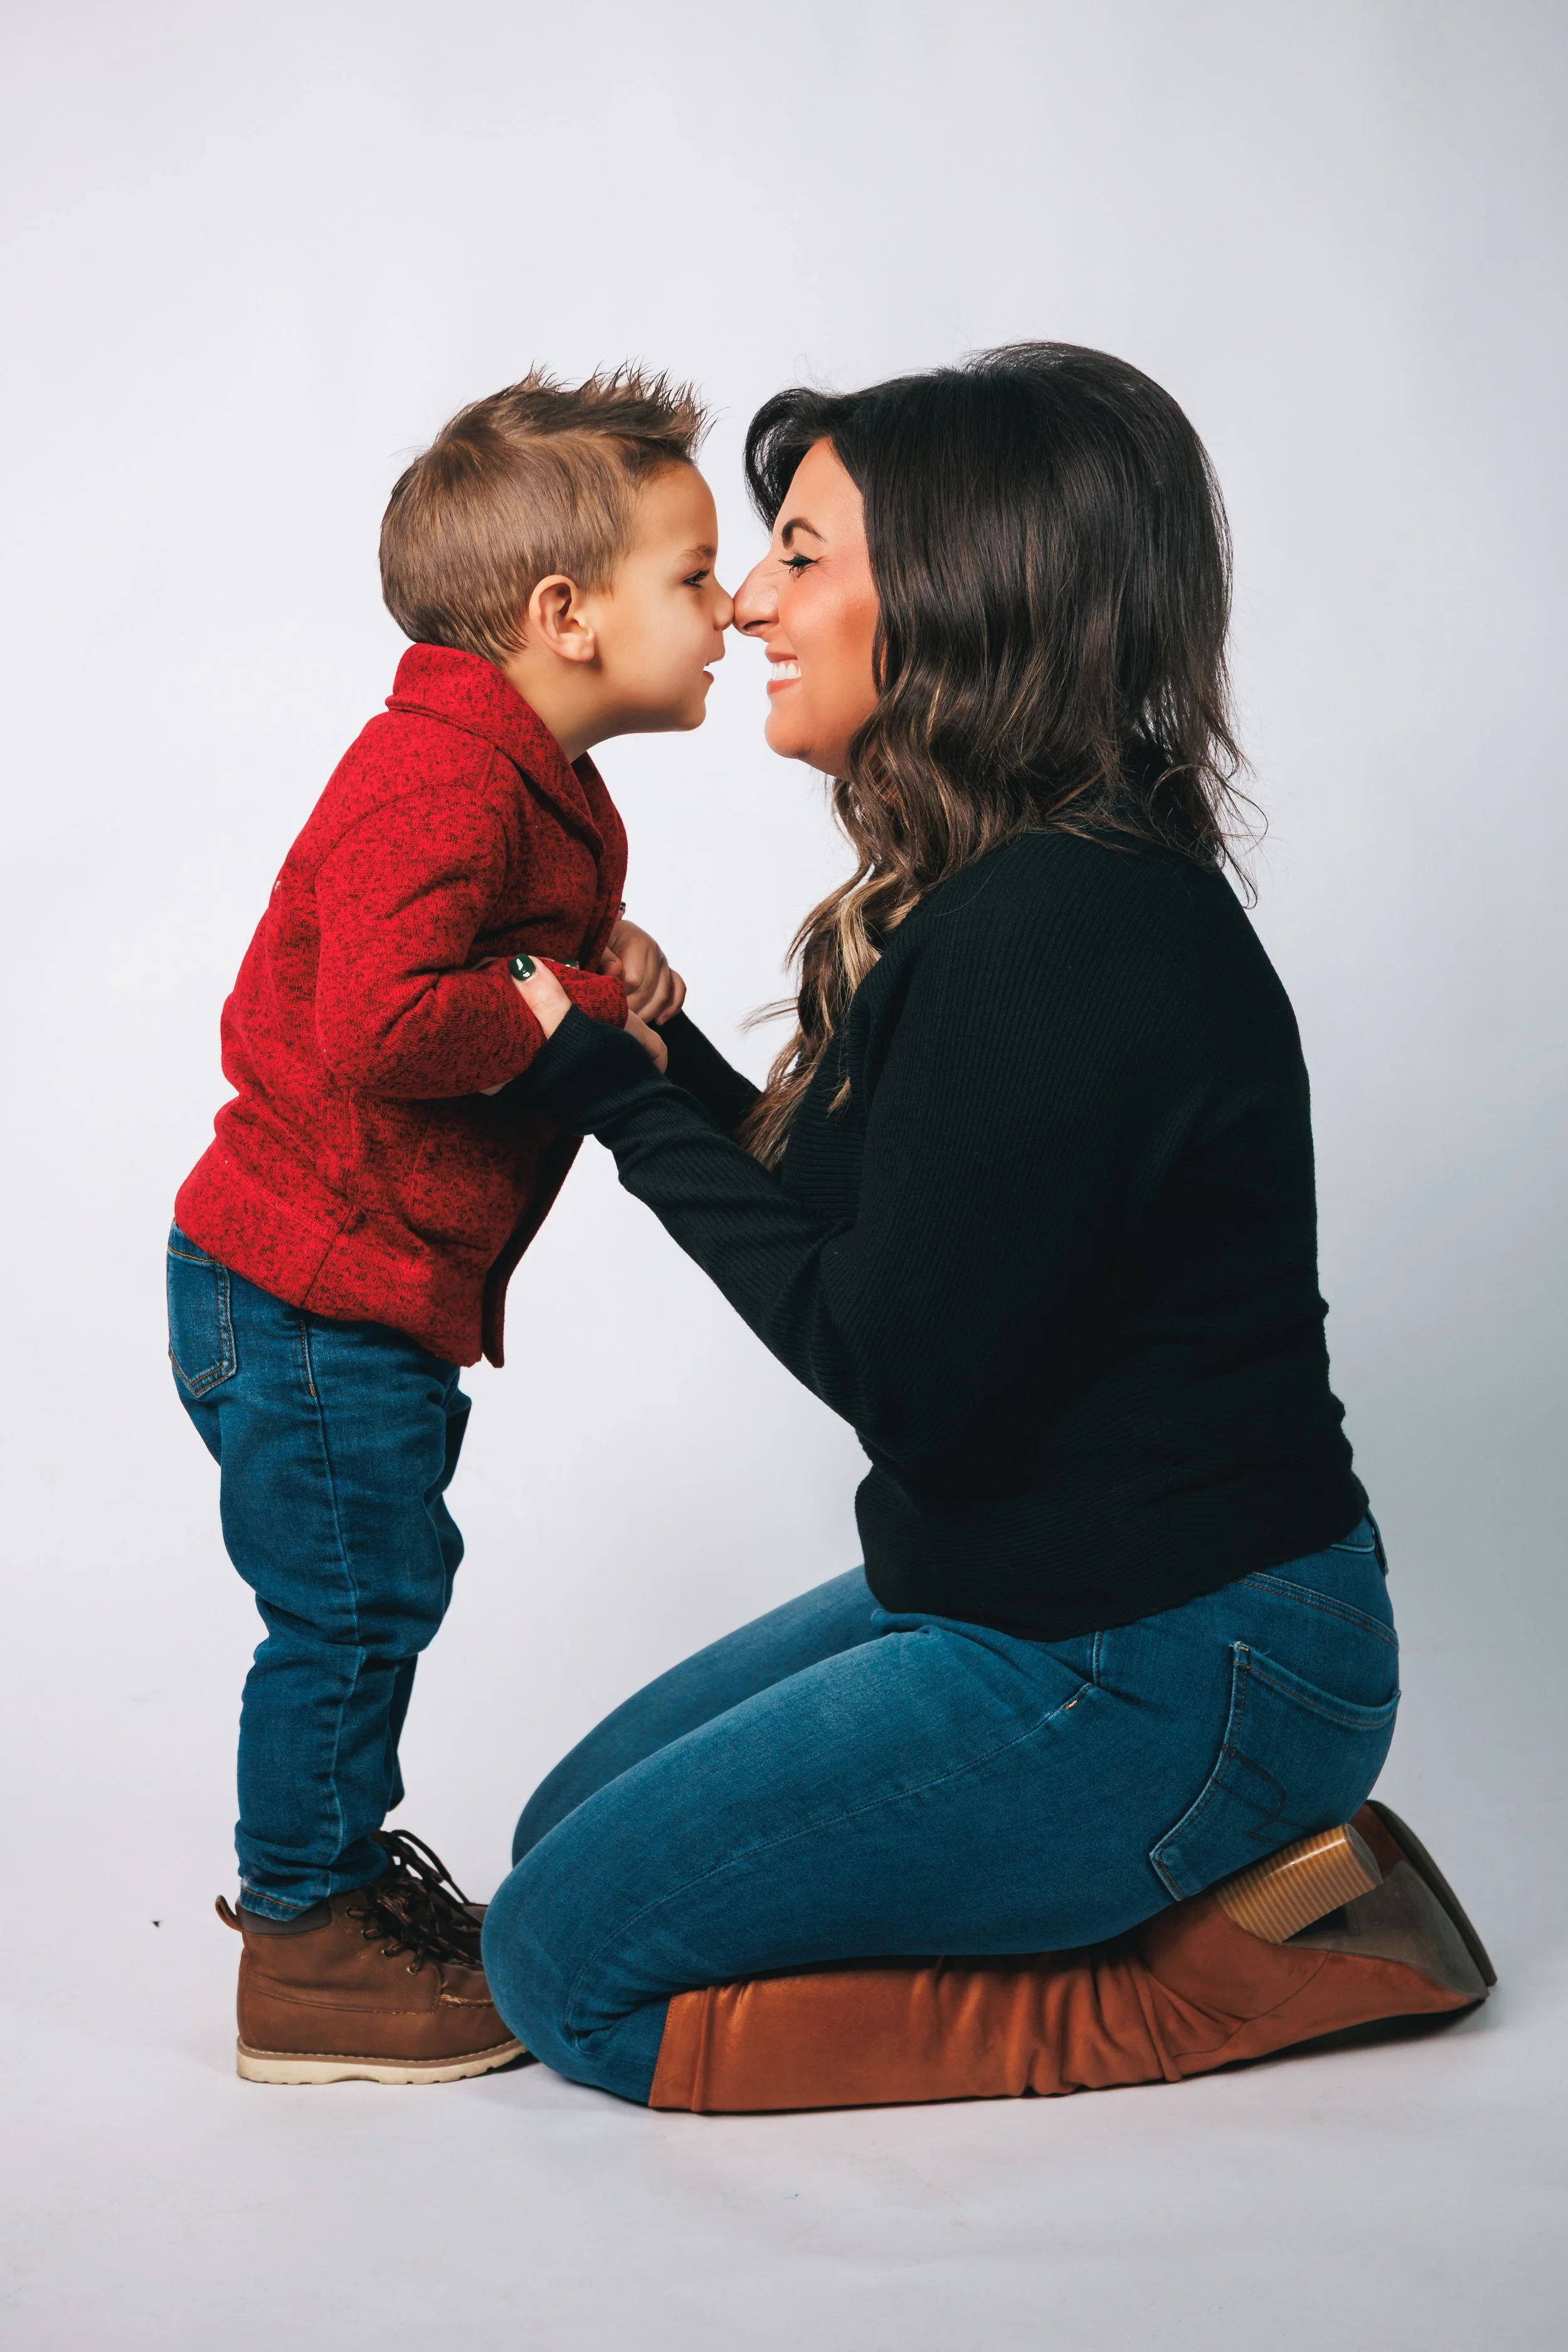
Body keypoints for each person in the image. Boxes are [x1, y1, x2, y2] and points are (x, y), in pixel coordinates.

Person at [478, 343, 1495, 2112]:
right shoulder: (1010, 892)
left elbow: (899, 1368)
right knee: (564, 1838)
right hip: (1034, 1597)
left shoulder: (1063, 932)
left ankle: (1191, 1987)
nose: (747, 604)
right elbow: (868, 1232)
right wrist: (657, 1061)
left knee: (568, 1964)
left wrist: (604, 1093)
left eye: (797, 553)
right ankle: (1201, 1899)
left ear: (956, 592)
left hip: (1177, 1661)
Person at [168, 368, 730, 2084]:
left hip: (348, 1284)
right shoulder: (445, 772)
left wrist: (602, 965)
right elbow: (385, 1017)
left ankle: (335, 1897)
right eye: (696, 578)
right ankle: (307, 1944)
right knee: (347, 1607)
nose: (730, 612)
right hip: (310, 1284)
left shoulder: (517, 768)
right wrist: (566, 991)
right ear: (563, 616)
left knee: (370, 1590)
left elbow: (503, 963)